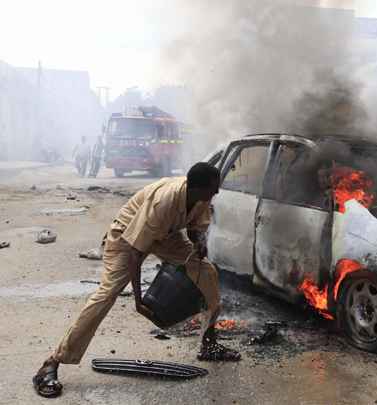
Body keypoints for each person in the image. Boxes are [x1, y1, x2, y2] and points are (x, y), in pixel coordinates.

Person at [32, 162, 240, 398]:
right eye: (213, 189)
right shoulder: (165, 200)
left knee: (207, 272)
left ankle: (209, 343)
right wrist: (138, 301)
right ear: (197, 188)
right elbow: (136, 253)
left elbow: (194, 226)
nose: (217, 193)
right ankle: (51, 362)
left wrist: (198, 242)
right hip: (126, 239)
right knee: (106, 296)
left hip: (164, 235)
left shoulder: (200, 197)